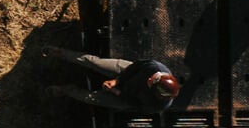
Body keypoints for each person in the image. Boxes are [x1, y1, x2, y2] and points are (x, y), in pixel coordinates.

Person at [46, 47, 181, 114]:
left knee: (92, 98)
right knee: (95, 62)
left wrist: (116, 92)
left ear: (156, 92)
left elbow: (134, 103)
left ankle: (64, 90)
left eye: (152, 81)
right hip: (128, 73)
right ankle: (59, 52)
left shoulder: (158, 105)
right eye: (155, 76)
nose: (152, 76)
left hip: (125, 97)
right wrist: (117, 81)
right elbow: (135, 67)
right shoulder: (156, 68)